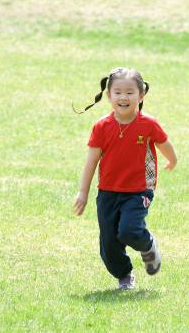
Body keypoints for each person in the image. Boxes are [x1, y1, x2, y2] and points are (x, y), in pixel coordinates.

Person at [73, 67, 178, 290]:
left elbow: (163, 143)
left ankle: (147, 246)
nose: (123, 97)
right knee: (109, 243)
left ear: (141, 96)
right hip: (108, 192)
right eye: (118, 92)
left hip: (139, 190)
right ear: (109, 95)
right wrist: (83, 192)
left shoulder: (148, 124)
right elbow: (91, 161)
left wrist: (173, 160)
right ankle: (124, 275)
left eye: (130, 92)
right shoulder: (101, 127)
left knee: (129, 230)